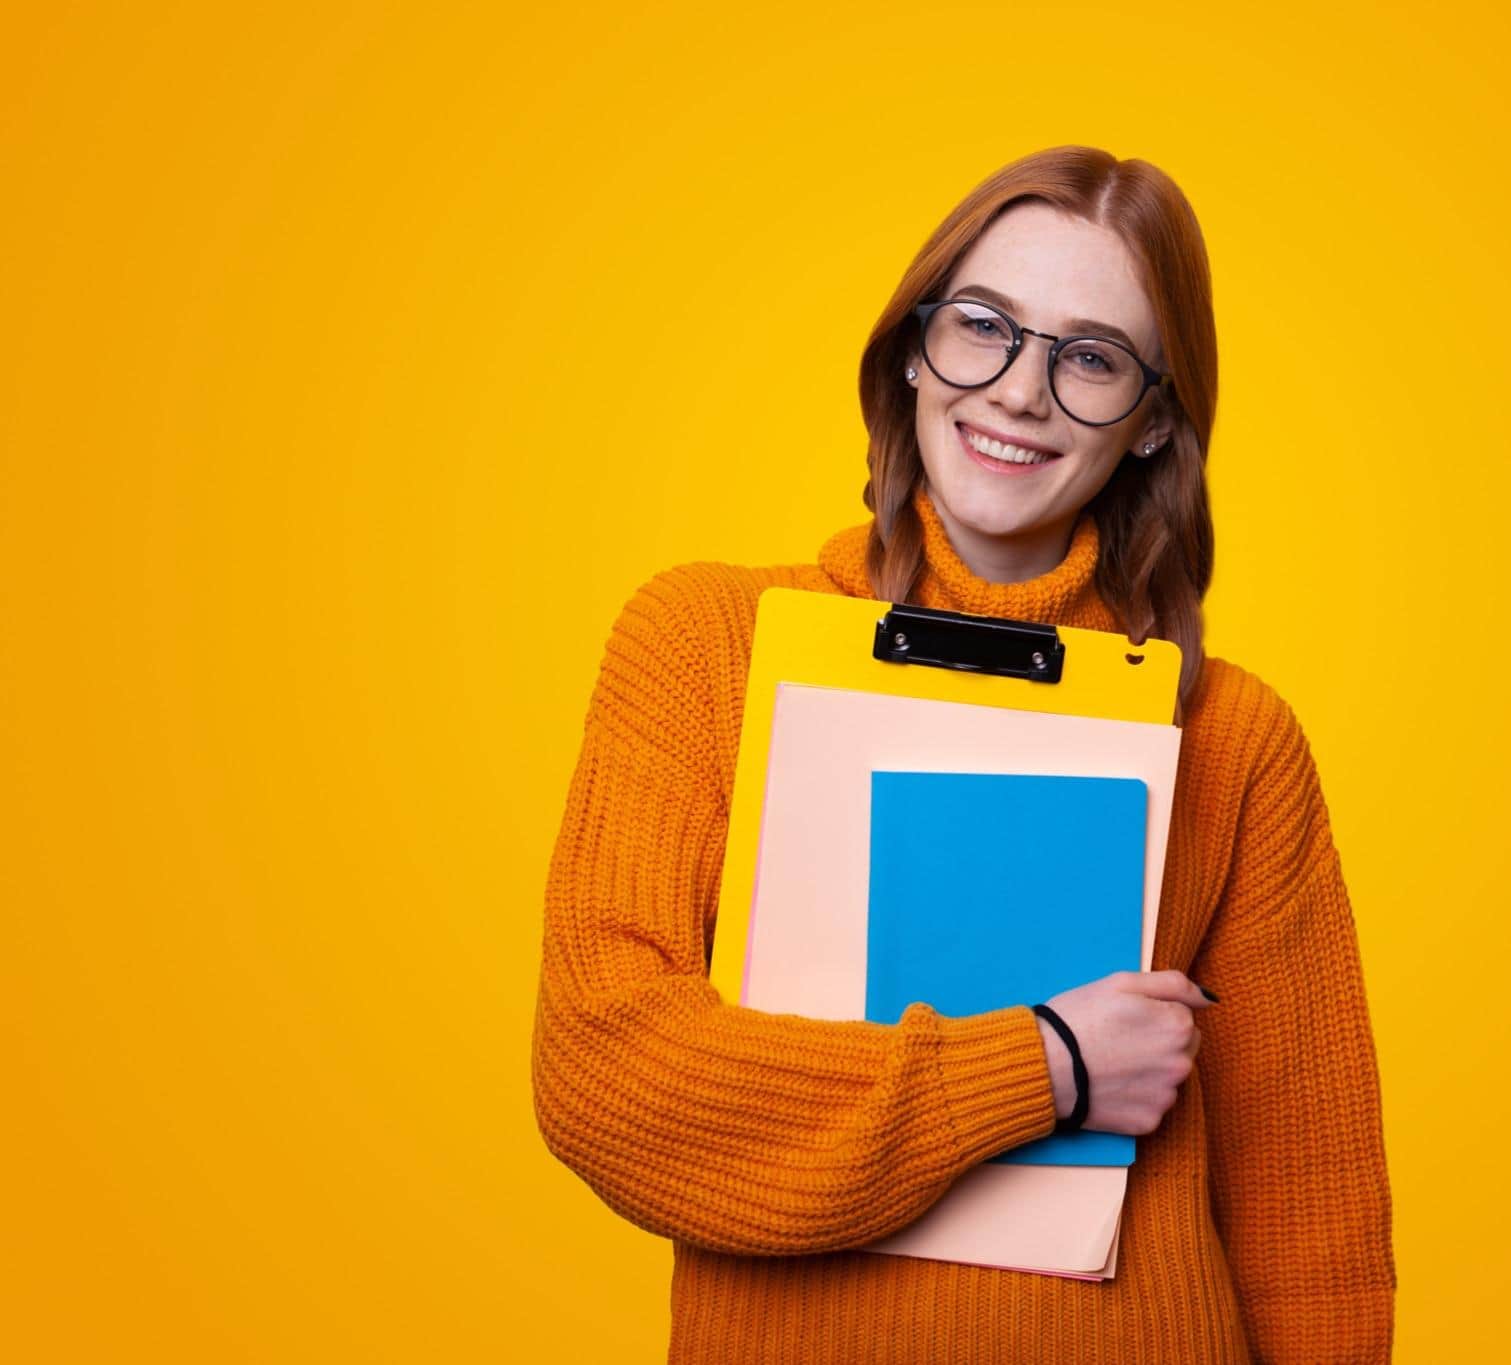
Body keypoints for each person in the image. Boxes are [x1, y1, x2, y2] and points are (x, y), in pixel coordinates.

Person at [530, 145, 1396, 1363]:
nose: (1018, 392)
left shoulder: (1233, 739)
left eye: (1089, 357)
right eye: (983, 327)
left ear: (1153, 422)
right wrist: (1044, 1066)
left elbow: (1310, 1218)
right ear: (913, 348)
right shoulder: (703, 647)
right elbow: (604, 1075)